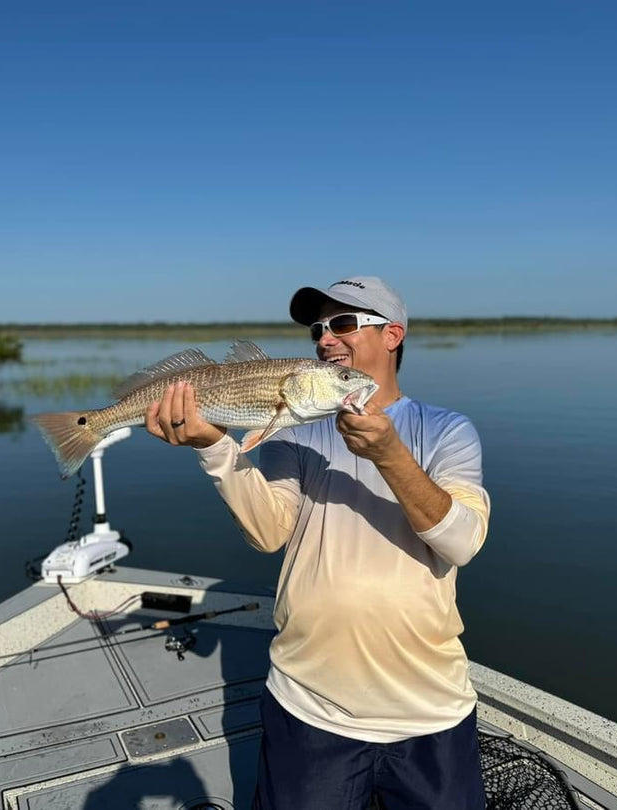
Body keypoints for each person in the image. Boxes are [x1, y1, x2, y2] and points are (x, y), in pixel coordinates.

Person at [145, 276, 490, 810]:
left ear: (393, 334)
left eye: (344, 324)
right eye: (318, 329)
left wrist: (390, 454)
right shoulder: (294, 429)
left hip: (430, 709)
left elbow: (463, 542)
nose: (326, 338)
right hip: (309, 704)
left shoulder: (446, 430)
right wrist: (216, 448)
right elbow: (269, 533)